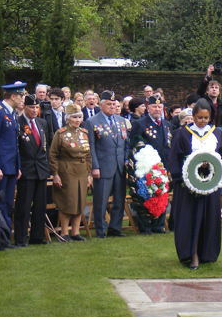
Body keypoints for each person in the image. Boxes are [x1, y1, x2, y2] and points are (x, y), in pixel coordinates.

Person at [169, 99, 222, 269]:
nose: (202, 121)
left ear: (210, 117)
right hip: (188, 185)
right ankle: (192, 254)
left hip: (211, 183)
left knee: (209, 217)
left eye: (206, 118)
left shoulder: (217, 133)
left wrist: (221, 176)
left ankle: (207, 253)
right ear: (193, 116)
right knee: (191, 218)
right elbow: (175, 157)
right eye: (199, 118)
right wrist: (181, 178)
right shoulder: (183, 133)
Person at [85, 91, 128, 238]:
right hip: (103, 167)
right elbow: (91, 147)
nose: (112, 106)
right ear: (101, 104)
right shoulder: (92, 121)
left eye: (113, 104)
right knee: (101, 200)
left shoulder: (121, 120)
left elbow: (125, 144)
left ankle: (115, 228)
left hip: (120, 166)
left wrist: (126, 161)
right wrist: (94, 167)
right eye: (108, 104)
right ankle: (101, 229)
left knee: (119, 200)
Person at [49, 104, 92, 241]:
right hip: (66, 170)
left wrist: (89, 173)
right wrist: (55, 174)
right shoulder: (60, 133)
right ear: (68, 118)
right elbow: (53, 154)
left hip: (82, 171)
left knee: (80, 202)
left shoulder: (84, 133)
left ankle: (75, 232)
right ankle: (64, 233)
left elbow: (89, 155)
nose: (77, 120)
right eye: (74, 117)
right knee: (68, 202)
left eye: (79, 117)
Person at [129, 95, 171, 233]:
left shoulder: (166, 124)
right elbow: (134, 144)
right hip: (146, 167)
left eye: (160, 106)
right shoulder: (140, 123)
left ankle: (158, 225)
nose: (157, 109)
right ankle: (145, 226)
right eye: (154, 106)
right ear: (148, 108)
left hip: (163, 166)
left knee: (161, 193)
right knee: (145, 195)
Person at [14, 94, 50, 246]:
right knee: (23, 206)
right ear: (24, 107)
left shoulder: (42, 123)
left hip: (41, 169)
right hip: (26, 169)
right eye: (31, 107)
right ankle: (21, 238)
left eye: (36, 107)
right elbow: (16, 148)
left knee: (40, 206)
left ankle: (37, 236)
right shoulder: (18, 123)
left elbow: (45, 146)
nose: (35, 110)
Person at [0, 81, 26, 237]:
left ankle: (5, 238)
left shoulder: (11, 113)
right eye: (21, 95)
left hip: (11, 167)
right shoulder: (0, 112)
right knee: (1, 203)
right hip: (2, 167)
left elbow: (14, 144)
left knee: (8, 204)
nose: (23, 99)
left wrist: (18, 166)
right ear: (13, 96)